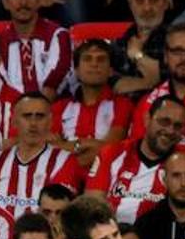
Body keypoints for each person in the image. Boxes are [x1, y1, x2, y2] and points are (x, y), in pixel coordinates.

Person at [84, 94, 185, 225]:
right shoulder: (112, 153)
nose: (170, 130)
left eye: (177, 126)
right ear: (147, 119)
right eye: (164, 122)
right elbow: (92, 205)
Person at [0, 93, 81, 219]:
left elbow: (57, 216)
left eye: (40, 116)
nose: (33, 123)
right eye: (27, 116)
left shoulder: (64, 161)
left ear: (50, 121)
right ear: (14, 121)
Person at [52, 39, 132, 170]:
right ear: (76, 70)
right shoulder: (59, 107)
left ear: (111, 71)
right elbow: (50, 147)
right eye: (87, 59)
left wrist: (67, 146)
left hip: (104, 176)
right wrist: (90, 144)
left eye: (101, 59)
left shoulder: (123, 105)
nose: (94, 64)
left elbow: (110, 147)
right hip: (61, 177)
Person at [0, 0, 72, 99]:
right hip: (9, 111)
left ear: (40, 0)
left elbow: (53, 84)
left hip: (49, 111)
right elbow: (2, 85)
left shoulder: (58, 35)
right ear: (5, 3)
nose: (23, 3)